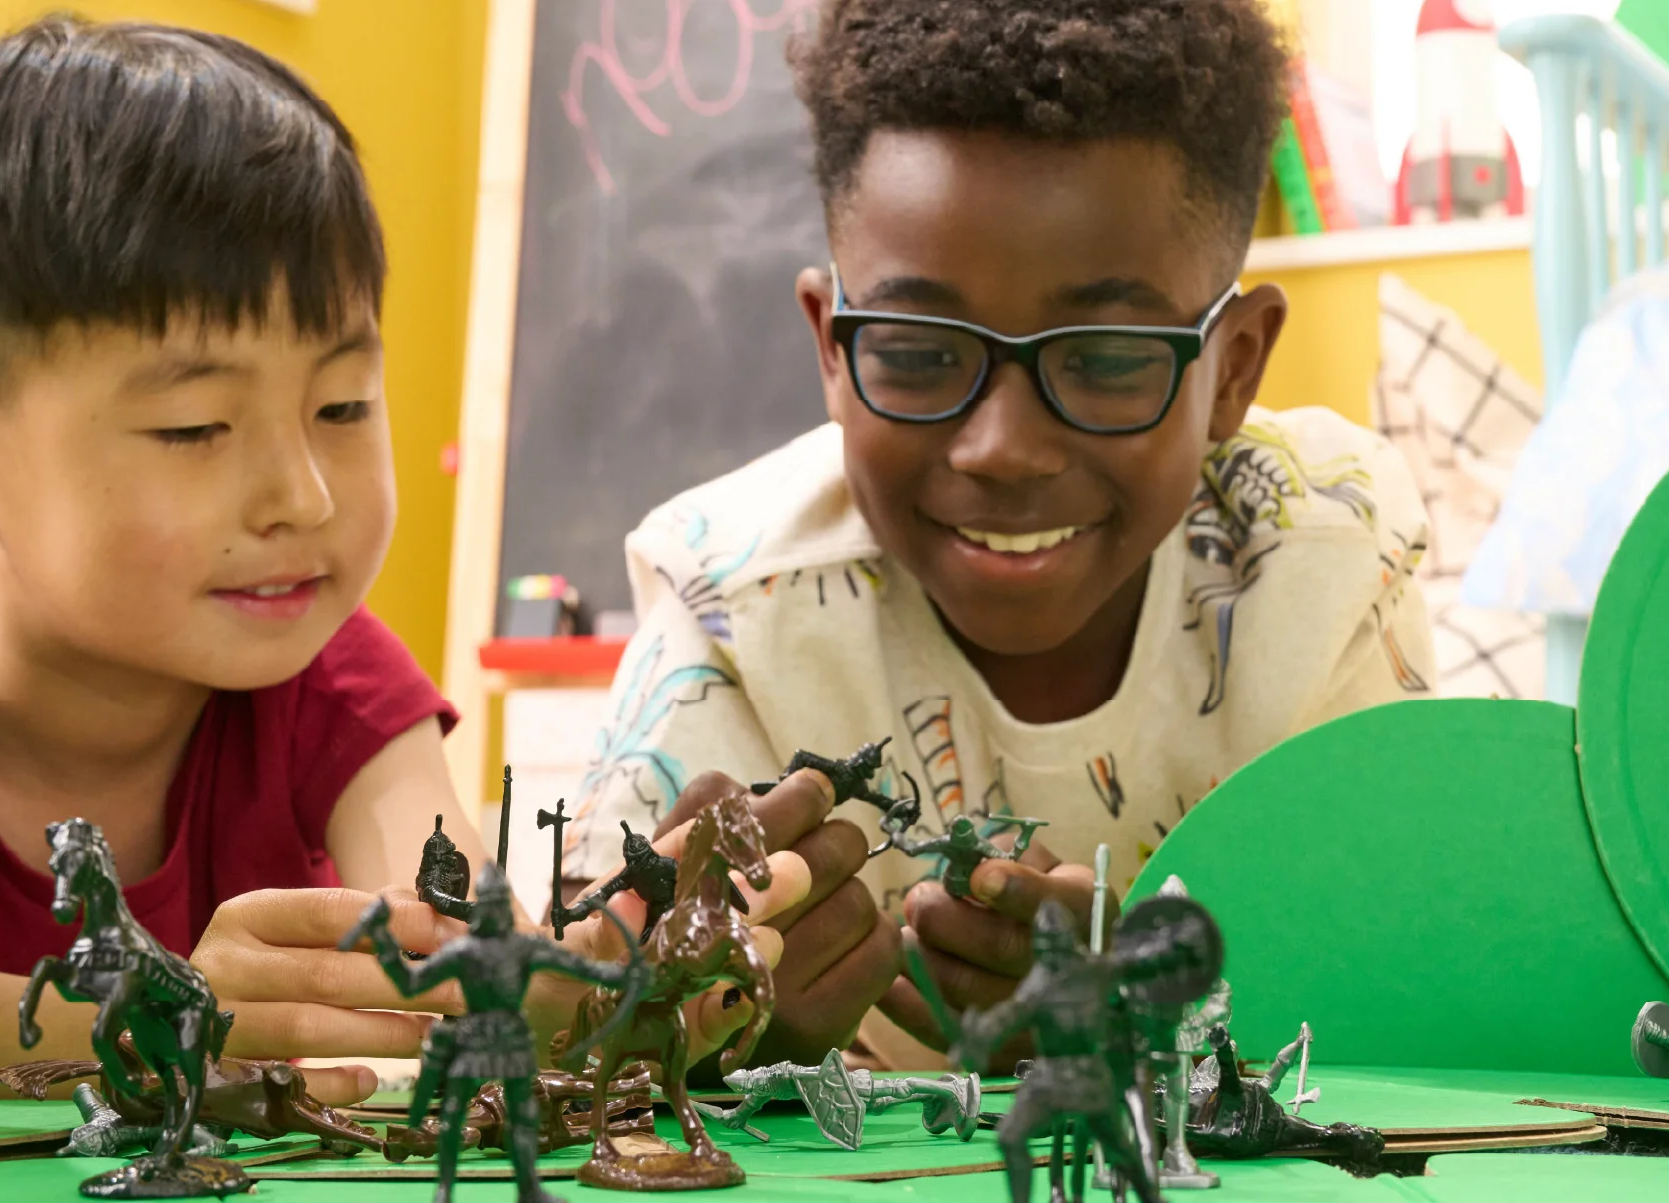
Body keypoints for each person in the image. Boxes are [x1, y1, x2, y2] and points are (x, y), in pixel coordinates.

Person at [0, 16, 788, 1102]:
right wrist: (165, 1025)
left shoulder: (334, 676)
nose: (304, 497)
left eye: (341, 405)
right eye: (194, 428)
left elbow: (460, 954)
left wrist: (593, 986)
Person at [564, 0, 1436, 1071]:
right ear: (831, 356)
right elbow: (583, 1029)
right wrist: (713, 1037)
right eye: (920, 352)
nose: (1001, 448)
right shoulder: (729, 606)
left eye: (1107, 360)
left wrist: (1183, 1016)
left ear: (1236, 371)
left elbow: (1413, 1003)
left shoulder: (1324, 559)